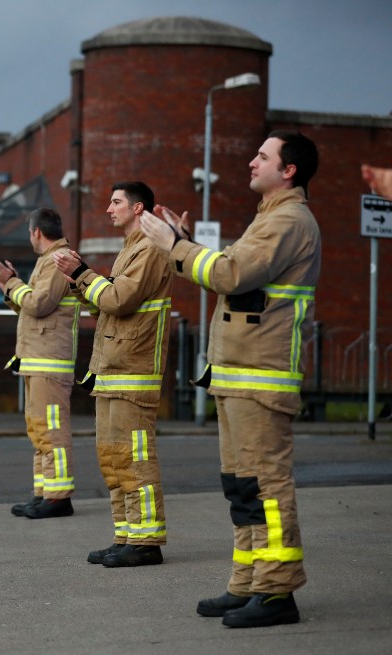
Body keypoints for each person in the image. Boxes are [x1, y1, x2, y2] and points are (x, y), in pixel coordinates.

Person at [139, 130, 320, 628]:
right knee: (243, 487)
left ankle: (278, 590)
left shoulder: (288, 220)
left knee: (267, 487)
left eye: (262, 156)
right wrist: (185, 244)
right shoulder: (270, 218)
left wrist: (175, 246)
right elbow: (228, 269)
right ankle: (249, 582)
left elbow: (232, 274)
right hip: (240, 377)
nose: (250, 161)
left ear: (289, 171)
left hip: (261, 379)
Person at [53, 181, 173, 567]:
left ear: (139, 208)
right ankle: (127, 535)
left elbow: (120, 300)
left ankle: (146, 542)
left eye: (116, 202)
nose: (109, 208)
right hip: (113, 370)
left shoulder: (150, 249)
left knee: (135, 457)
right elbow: (107, 305)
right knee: (114, 457)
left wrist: (84, 273)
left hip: (133, 372)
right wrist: (79, 283)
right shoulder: (129, 249)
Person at [0, 207, 81, 519]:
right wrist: (11, 284)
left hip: (49, 363)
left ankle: (58, 497)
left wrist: (10, 282)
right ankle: (44, 493)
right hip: (37, 361)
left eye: (29, 233)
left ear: (36, 232)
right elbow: (31, 306)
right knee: (39, 429)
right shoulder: (47, 260)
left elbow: (39, 304)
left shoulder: (58, 260)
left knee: (52, 429)